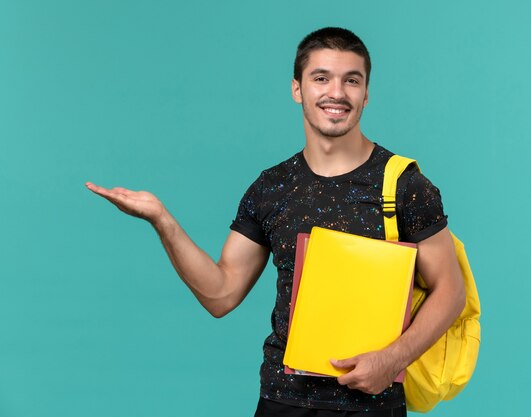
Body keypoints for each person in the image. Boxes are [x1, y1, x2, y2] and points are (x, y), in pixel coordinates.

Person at [86, 27, 465, 417]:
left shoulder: (404, 184)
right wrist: (162, 220)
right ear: (297, 89)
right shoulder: (271, 187)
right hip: (283, 401)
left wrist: (391, 360)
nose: (337, 93)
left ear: (366, 93)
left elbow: (451, 292)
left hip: (373, 406)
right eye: (321, 78)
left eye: (351, 80)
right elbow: (221, 294)